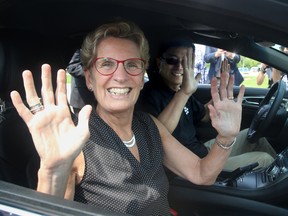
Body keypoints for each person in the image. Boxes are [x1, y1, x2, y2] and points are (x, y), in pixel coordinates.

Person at [10, 20, 245, 215]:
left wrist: (226, 137)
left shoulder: (149, 125)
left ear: (142, 76)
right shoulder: (75, 141)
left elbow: (202, 174)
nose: (120, 76)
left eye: (132, 65)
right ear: (90, 79)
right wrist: (53, 169)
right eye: (106, 64)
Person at [136, 38, 277, 172]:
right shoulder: (149, 94)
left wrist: (221, 94)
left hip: (203, 151)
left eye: (186, 62)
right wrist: (184, 93)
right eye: (172, 60)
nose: (179, 67)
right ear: (160, 62)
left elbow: (203, 116)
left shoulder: (180, 90)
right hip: (192, 166)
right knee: (264, 159)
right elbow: (155, 137)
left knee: (254, 137)